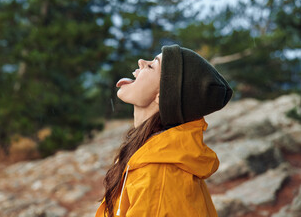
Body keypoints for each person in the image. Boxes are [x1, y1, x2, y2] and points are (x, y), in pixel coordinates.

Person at [95, 44, 233, 217]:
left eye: (152, 65)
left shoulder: (158, 176)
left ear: (162, 96)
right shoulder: (147, 155)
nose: (141, 62)